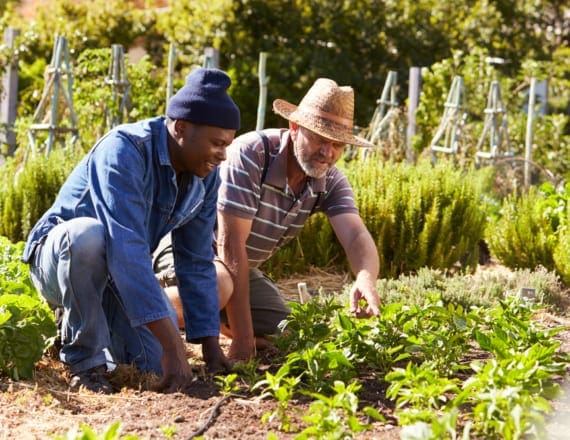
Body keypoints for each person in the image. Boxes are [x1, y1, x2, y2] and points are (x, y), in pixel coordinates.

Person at [22, 67, 239, 393]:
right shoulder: (126, 150)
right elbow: (127, 248)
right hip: (60, 260)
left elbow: (195, 260)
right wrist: (174, 346)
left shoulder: (205, 176)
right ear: (181, 128)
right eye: (216, 144)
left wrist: (209, 347)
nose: (223, 155)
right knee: (88, 235)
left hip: (115, 274)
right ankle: (85, 363)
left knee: (151, 363)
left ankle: (95, 328)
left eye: (228, 145)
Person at [157, 77, 381, 362]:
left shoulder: (329, 180)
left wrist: (365, 278)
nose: (328, 153)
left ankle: (217, 318)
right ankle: (132, 315)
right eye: (320, 139)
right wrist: (243, 338)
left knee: (292, 331)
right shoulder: (252, 154)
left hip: (239, 269)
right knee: (219, 285)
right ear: (295, 127)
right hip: (188, 253)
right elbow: (230, 244)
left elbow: (355, 236)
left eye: (338, 145)